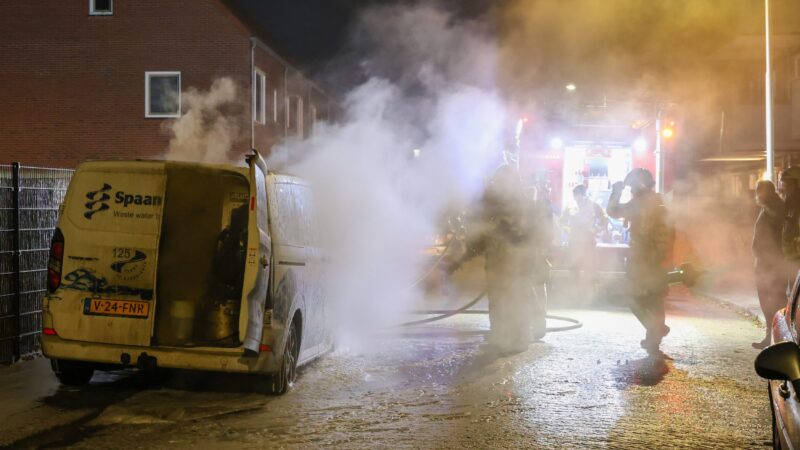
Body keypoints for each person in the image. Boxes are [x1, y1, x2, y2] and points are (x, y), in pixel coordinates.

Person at [450, 163, 536, 354]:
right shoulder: (501, 207)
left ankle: (515, 338)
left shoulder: (517, 208)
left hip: (513, 264)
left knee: (513, 301)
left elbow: (532, 236)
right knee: (502, 301)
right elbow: (482, 236)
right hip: (501, 264)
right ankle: (503, 336)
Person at [607, 168, 671, 353]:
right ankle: (654, 337)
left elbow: (613, 211)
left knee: (634, 298)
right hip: (654, 261)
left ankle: (654, 330)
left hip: (643, 260)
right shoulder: (658, 202)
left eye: (632, 187)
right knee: (655, 299)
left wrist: (616, 192)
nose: (631, 190)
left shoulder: (640, 204)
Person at [751, 180, 786, 349]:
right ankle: (771, 337)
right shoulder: (767, 208)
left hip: (771, 264)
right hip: (764, 263)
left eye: (760, 191)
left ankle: (778, 340)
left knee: (775, 301)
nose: (757, 195)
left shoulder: (774, 209)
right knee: (767, 302)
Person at [560, 184, 608, 301]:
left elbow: (605, 219)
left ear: (584, 195)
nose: (577, 198)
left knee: (589, 268)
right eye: (575, 196)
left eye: (580, 196)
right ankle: (573, 296)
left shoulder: (594, 206)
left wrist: (596, 229)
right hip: (574, 240)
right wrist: (568, 230)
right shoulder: (570, 206)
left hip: (588, 241)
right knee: (573, 268)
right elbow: (562, 221)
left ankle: (589, 297)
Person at [780, 167, 800, 291]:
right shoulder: (788, 201)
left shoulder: (796, 202)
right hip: (791, 253)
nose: (786, 187)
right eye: (785, 183)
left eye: (789, 183)